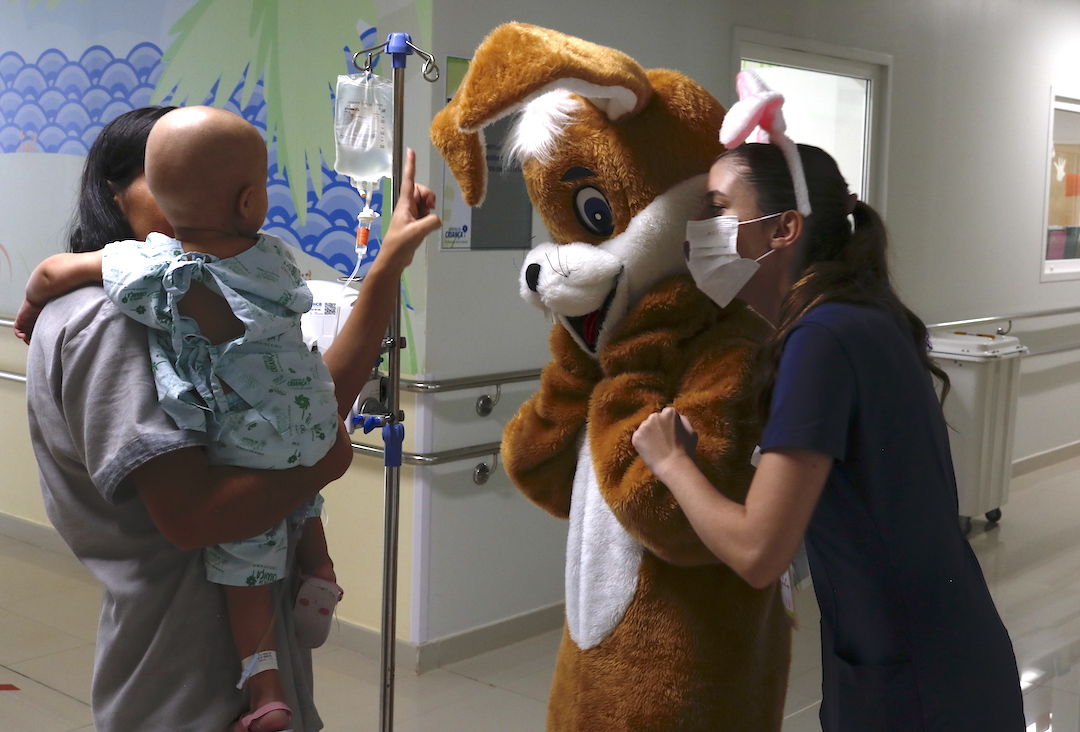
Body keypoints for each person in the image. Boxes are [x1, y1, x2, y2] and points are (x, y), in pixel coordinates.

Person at [17, 106, 439, 732]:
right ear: (118, 191)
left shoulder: (212, 287)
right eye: (169, 173)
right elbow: (196, 518)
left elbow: (305, 403)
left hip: (250, 655)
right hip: (187, 679)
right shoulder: (116, 318)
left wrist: (388, 265)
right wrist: (324, 462)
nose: (193, 193)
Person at [631, 119, 1026, 727]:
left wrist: (671, 461)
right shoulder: (859, 316)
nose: (700, 231)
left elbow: (758, 551)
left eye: (718, 208)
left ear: (784, 228)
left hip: (916, 686)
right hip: (938, 656)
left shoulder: (822, 338)